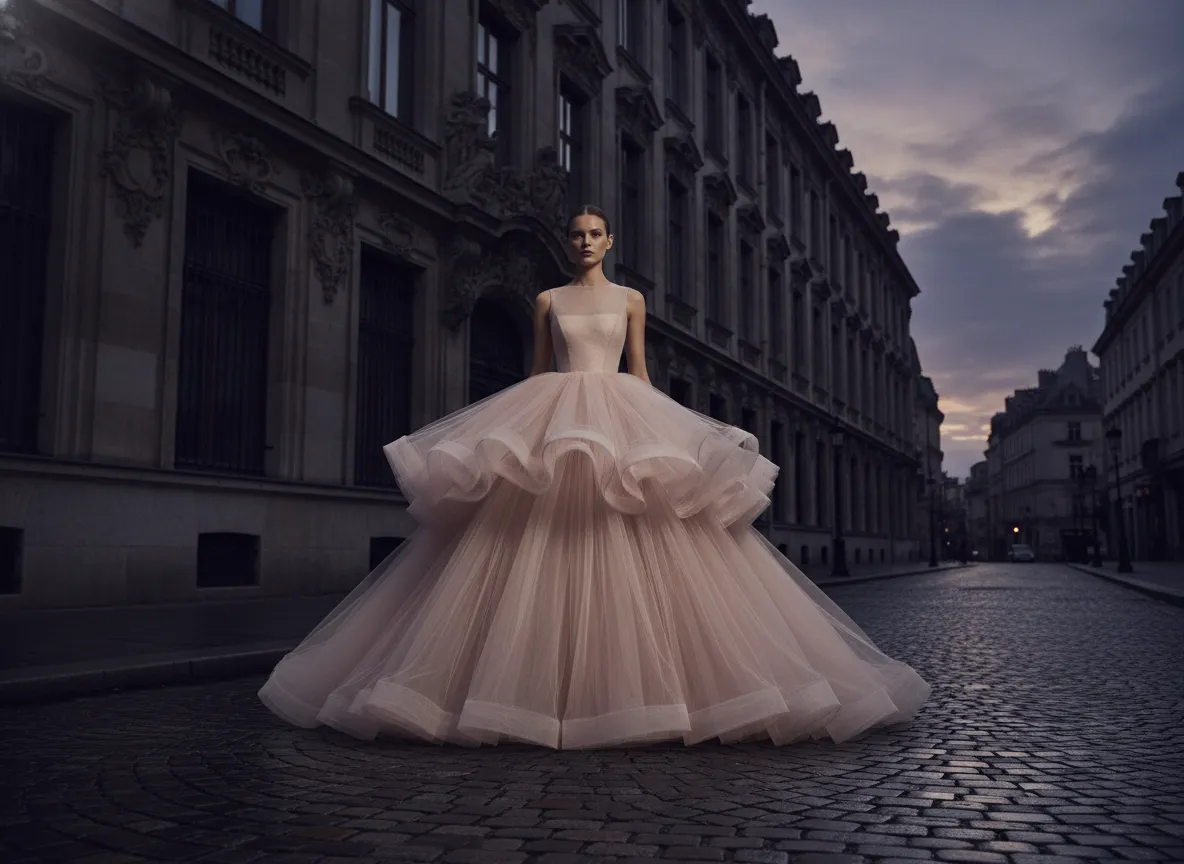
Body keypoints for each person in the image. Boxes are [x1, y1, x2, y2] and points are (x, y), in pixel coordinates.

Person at [258, 205, 930, 749]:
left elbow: (637, 371)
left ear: (609, 241)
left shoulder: (632, 299)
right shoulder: (547, 298)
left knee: (642, 537)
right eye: (575, 235)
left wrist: (669, 429)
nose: (582, 242)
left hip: (619, 409)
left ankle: (663, 693)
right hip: (556, 410)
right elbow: (539, 372)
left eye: (593, 234)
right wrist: (521, 430)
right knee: (532, 543)